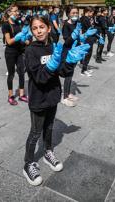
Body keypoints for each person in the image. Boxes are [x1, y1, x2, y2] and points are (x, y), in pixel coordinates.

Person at [23, 15, 89, 186]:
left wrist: (70, 62)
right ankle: (28, 163)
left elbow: (62, 72)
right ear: (32, 31)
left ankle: (47, 152)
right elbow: (39, 77)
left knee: (50, 127)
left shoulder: (53, 46)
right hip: (38, 98)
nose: (38, 31)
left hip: (53, 96)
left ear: (48, 28)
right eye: (35, 28)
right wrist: (51, 64)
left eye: (41, 27)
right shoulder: (30, 51)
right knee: (35, 132)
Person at [3, 4, 31, 105]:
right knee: (11, 74)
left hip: (20, 51)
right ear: (9, 12)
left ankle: (22, 94)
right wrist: (17, 37)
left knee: (21, 73)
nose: (17, 13)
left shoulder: (18, 23)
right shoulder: (6, 25)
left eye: (17, 11)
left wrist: (26, 40)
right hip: (10, 52)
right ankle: (10, 95)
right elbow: (9, 42)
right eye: (15, 11)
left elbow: (23, 38)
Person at [61, 6, 82, 106]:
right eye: (73, 13)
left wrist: (81, 40)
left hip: (76, 51)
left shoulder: (77, 23)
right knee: (68, 74)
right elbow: (67, 41)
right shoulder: (66, 25)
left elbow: (79, 37)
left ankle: (68, 93)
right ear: (69, 14)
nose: (75, 15)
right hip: (69, 52)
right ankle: (65, 97)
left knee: (71, 73)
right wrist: (73, 36)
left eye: (76, 13)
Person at [80, 7, 97, 77]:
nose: (92, 14)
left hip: (87, 38)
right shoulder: (85, 19)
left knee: (87, 53)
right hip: (88, 38)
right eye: (92, 12)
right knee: (88, 54)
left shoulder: (83, 18)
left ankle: (85, 68)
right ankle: (83, 70)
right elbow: (90, 29)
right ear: (88, 12)